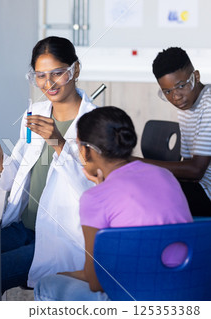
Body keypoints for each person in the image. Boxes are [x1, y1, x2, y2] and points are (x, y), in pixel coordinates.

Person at [0, 36, 97, 293]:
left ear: (75, 70)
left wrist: (59, 143)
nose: (48, 83)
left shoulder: (94, 122)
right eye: (40, 76)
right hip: (23, 226)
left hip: (58, 236)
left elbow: (92, 191)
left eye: (57, 73)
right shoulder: (35, 114)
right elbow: (18, 177)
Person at [34, 106, 193, 301]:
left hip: (132, 298)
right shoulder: (165, 175)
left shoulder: (95, 198)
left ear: (86, 150)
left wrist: (60, 275)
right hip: (183, 289)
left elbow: (96, 282)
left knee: (46, 284)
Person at [146, 47, 210, 216]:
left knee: (150, 197)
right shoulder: (187, 104)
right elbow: (188, 164)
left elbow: (196, 170)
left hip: (208, 193)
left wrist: (136, 163)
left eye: (181, 86)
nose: (175, 97)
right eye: (167, 91)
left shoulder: (208, 104)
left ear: (196, 76)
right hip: (200, 186)